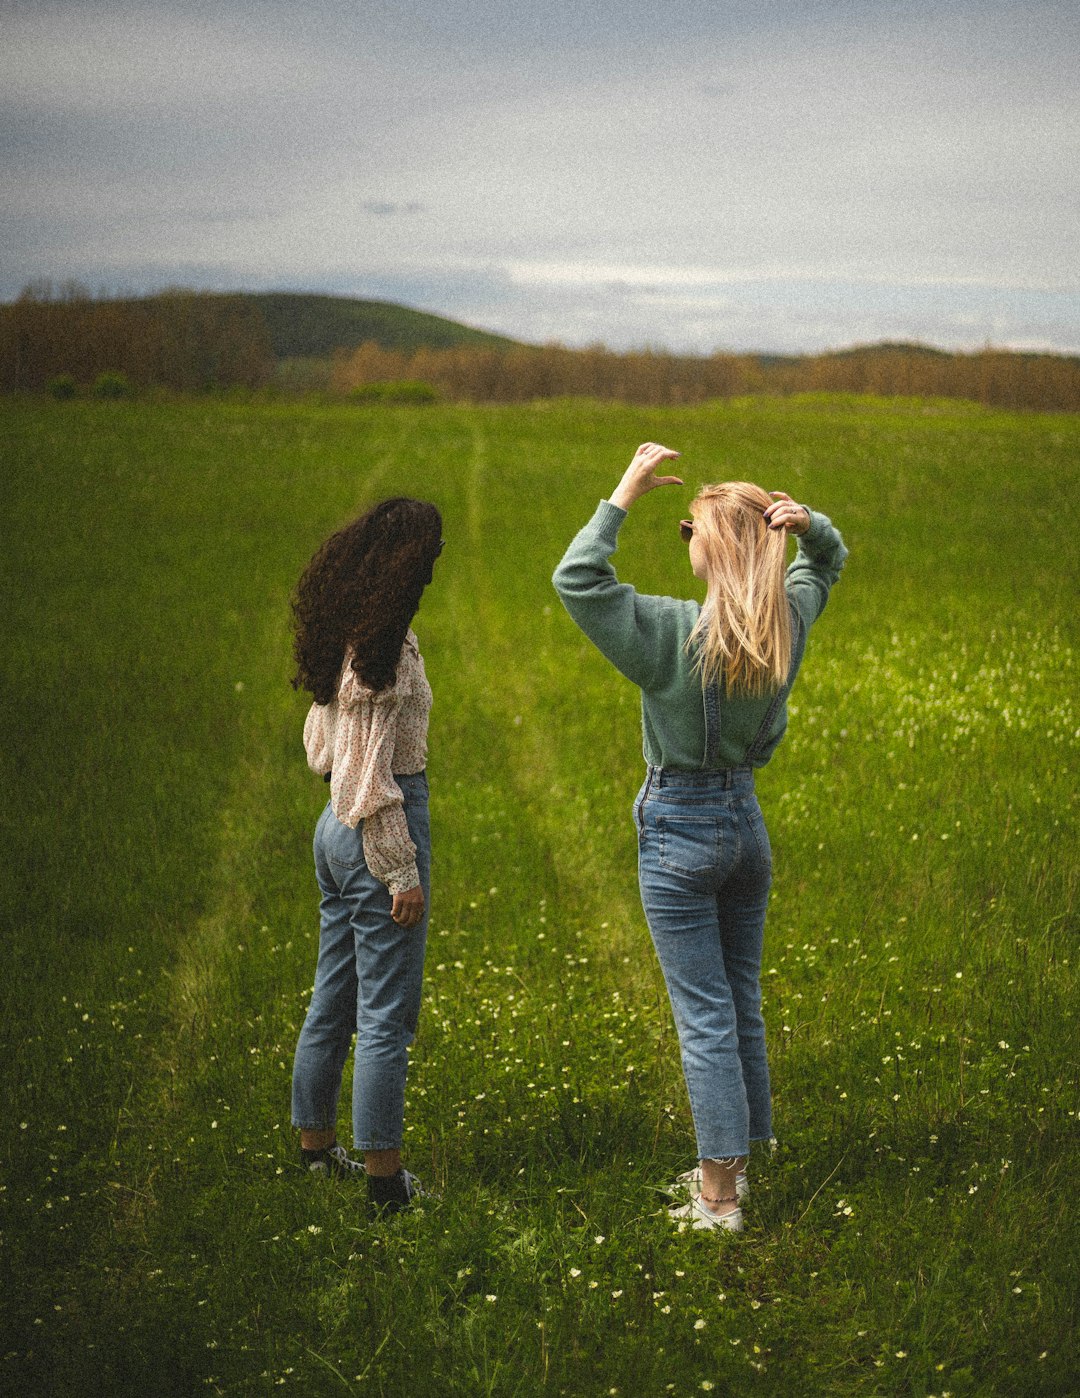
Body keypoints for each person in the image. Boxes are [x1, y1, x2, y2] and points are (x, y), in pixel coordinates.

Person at [552, 444, 847, 1231]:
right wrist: (810, 527)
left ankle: (717, 1198)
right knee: (738, 999)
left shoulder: (667, 632)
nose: (682, 538)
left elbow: (576, 579)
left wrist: (621, 493)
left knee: (704, 1014)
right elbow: (830, 561)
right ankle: (742, 1155)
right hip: (746, 828)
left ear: (713, 546)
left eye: (689, 530)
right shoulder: (786, 622)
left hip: (679, 833)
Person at [289, 496, 443, 1214]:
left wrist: (348, 814)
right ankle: (386, 1183)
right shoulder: (387, 651)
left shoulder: (345, 635)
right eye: (431, 559)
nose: (434, 572)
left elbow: (321, 750)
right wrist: (400, 869)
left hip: (333, 829)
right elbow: (371, 780)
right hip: (375, 830)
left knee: (335, 998)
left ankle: (316, 1151)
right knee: (387, 1015)